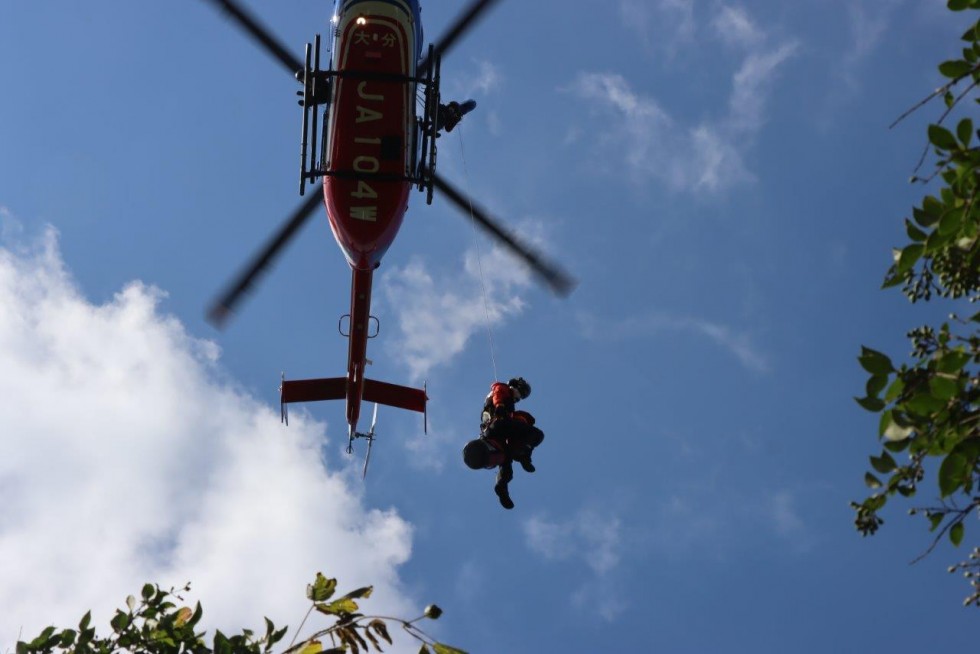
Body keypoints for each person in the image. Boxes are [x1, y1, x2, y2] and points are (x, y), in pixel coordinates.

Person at [462, 377, 544, 509]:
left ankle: (502, 486)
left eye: (522, 396)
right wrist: (499, 405)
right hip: (499, 425)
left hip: (492, 433)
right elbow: (498, 394)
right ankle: (524, 456)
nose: (519, 398)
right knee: (537, 434)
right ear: (515, 386)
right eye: (521, 393)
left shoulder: (505, 402)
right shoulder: (502, 389)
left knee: (506, 461)